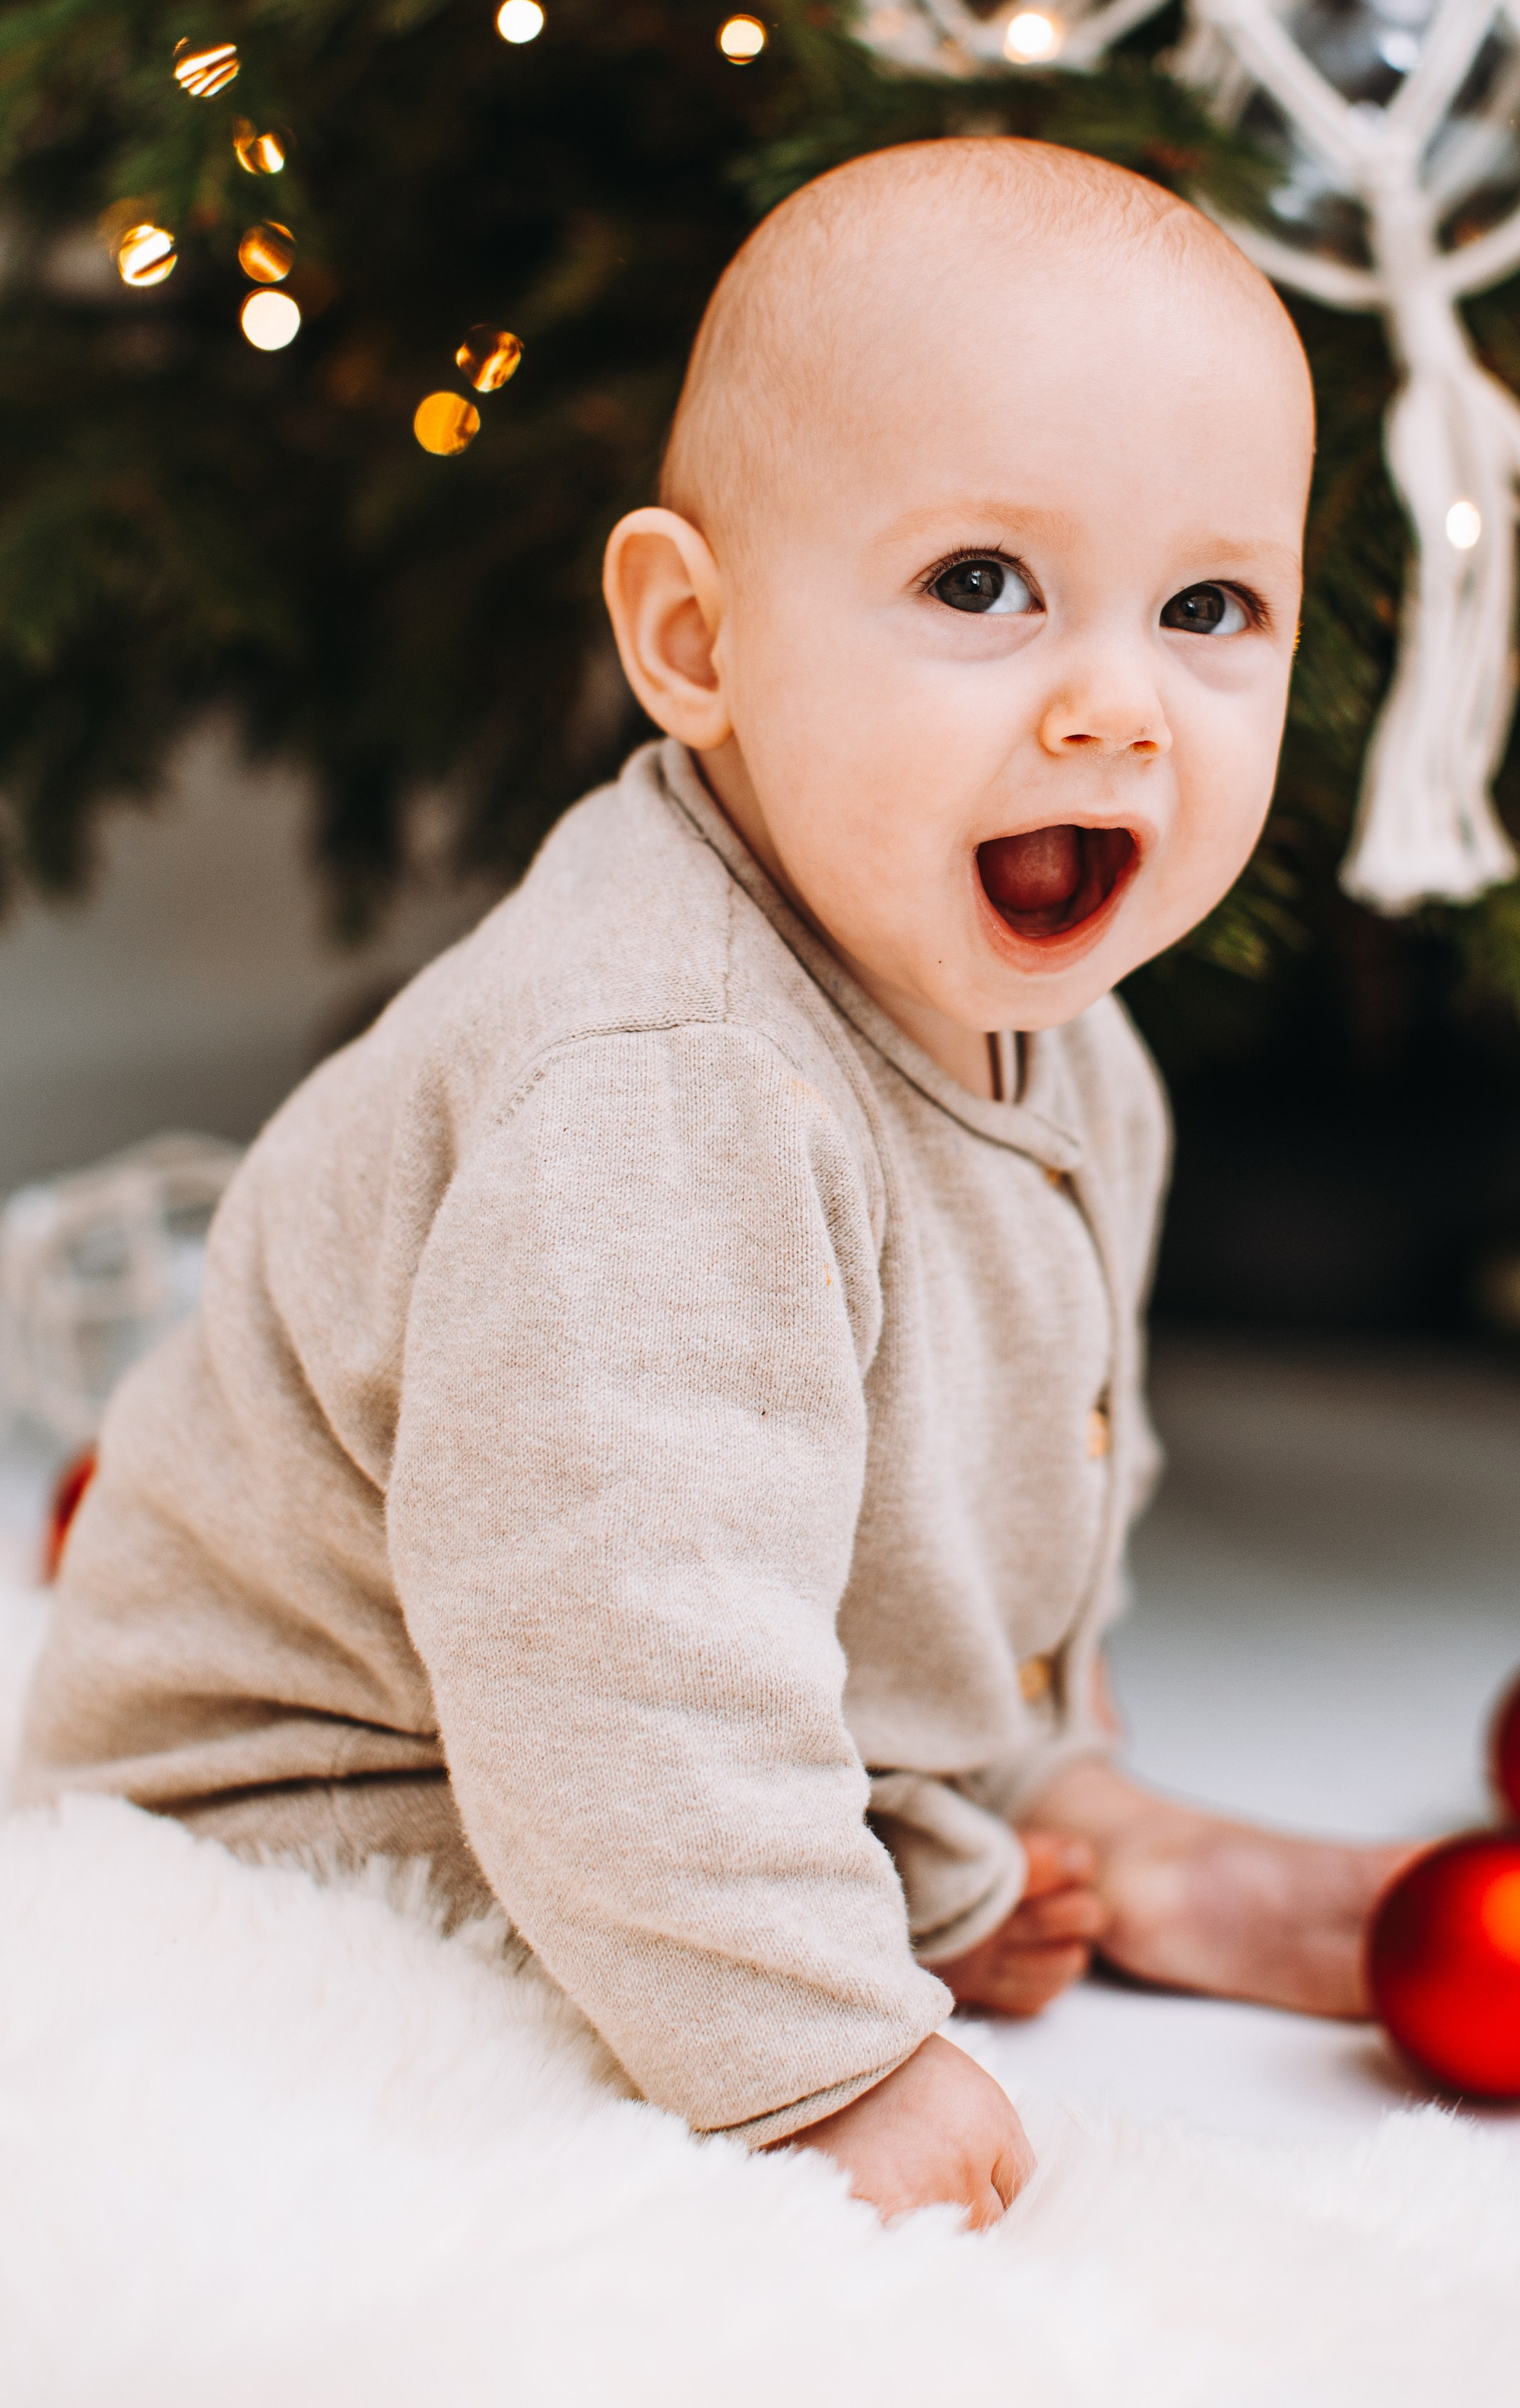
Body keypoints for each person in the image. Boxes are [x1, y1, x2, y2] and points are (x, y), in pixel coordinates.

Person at [21, 138, 1407, 2229]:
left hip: (655, 1746)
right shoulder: (663, 1083)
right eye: (979, 586)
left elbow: (1011, 1452)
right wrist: (818, 2061)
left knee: (859, 1720)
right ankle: (851, 1892)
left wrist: (1019, 1751)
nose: (1118, 705)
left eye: (1209, 608)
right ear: (696, 637)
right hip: (345, 1792)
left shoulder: (1062, 1030)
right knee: (528, 2036)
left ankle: (1025, 1824)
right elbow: (617, 1642)